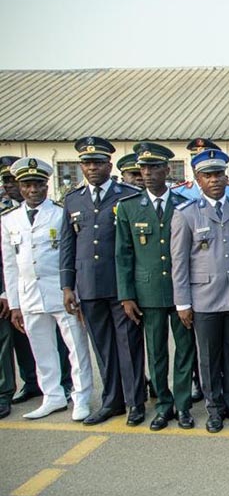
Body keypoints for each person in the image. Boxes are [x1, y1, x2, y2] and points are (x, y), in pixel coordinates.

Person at [60, 137, 147, 426]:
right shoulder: (73, 200)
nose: (93, 168)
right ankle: (113, 401)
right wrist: (67, 286)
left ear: (110, 165)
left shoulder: (128, 195)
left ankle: (136, 403)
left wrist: (132, 289)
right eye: (87, 163)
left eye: (98, 162)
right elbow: (68, 246)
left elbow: (135, 246)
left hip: (121, 287)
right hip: (89, 286)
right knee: (104, 348)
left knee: (129, 346)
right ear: (81, 167)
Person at [1, 157, 94, 420]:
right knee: (41, 350)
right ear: (19, 187)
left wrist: (73, 289)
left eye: (39, 184)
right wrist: (14, 303)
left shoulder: (59, 213)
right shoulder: (10, 219)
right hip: (29, 294)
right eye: (28, 185)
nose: (33, 190)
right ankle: (52, 396)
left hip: (61, 293)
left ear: (46, 185)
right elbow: (10, 264)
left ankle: (81, 397)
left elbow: (71, 255)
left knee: (76, 349)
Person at [115, 142, 197, 431]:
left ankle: (184, 405)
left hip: (181, 292)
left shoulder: (184, 203)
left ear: (167, 169)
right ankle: (163, 404)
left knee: (185, 350)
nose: (147, 173)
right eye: (143, 168)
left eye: (153, 167)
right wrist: (126, 295)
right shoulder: (128, 208)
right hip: (148, 292)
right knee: (157, 352)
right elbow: (123, 254)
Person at [172, 149, 229, 432]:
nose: (215, 180)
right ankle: (214, 409)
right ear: (198, 179)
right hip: (204, 298)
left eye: (219, 174)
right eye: (208, 175)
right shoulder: (186, 214)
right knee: (208, 358)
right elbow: (179, 263)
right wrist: (182, 302)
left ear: (226, 176)